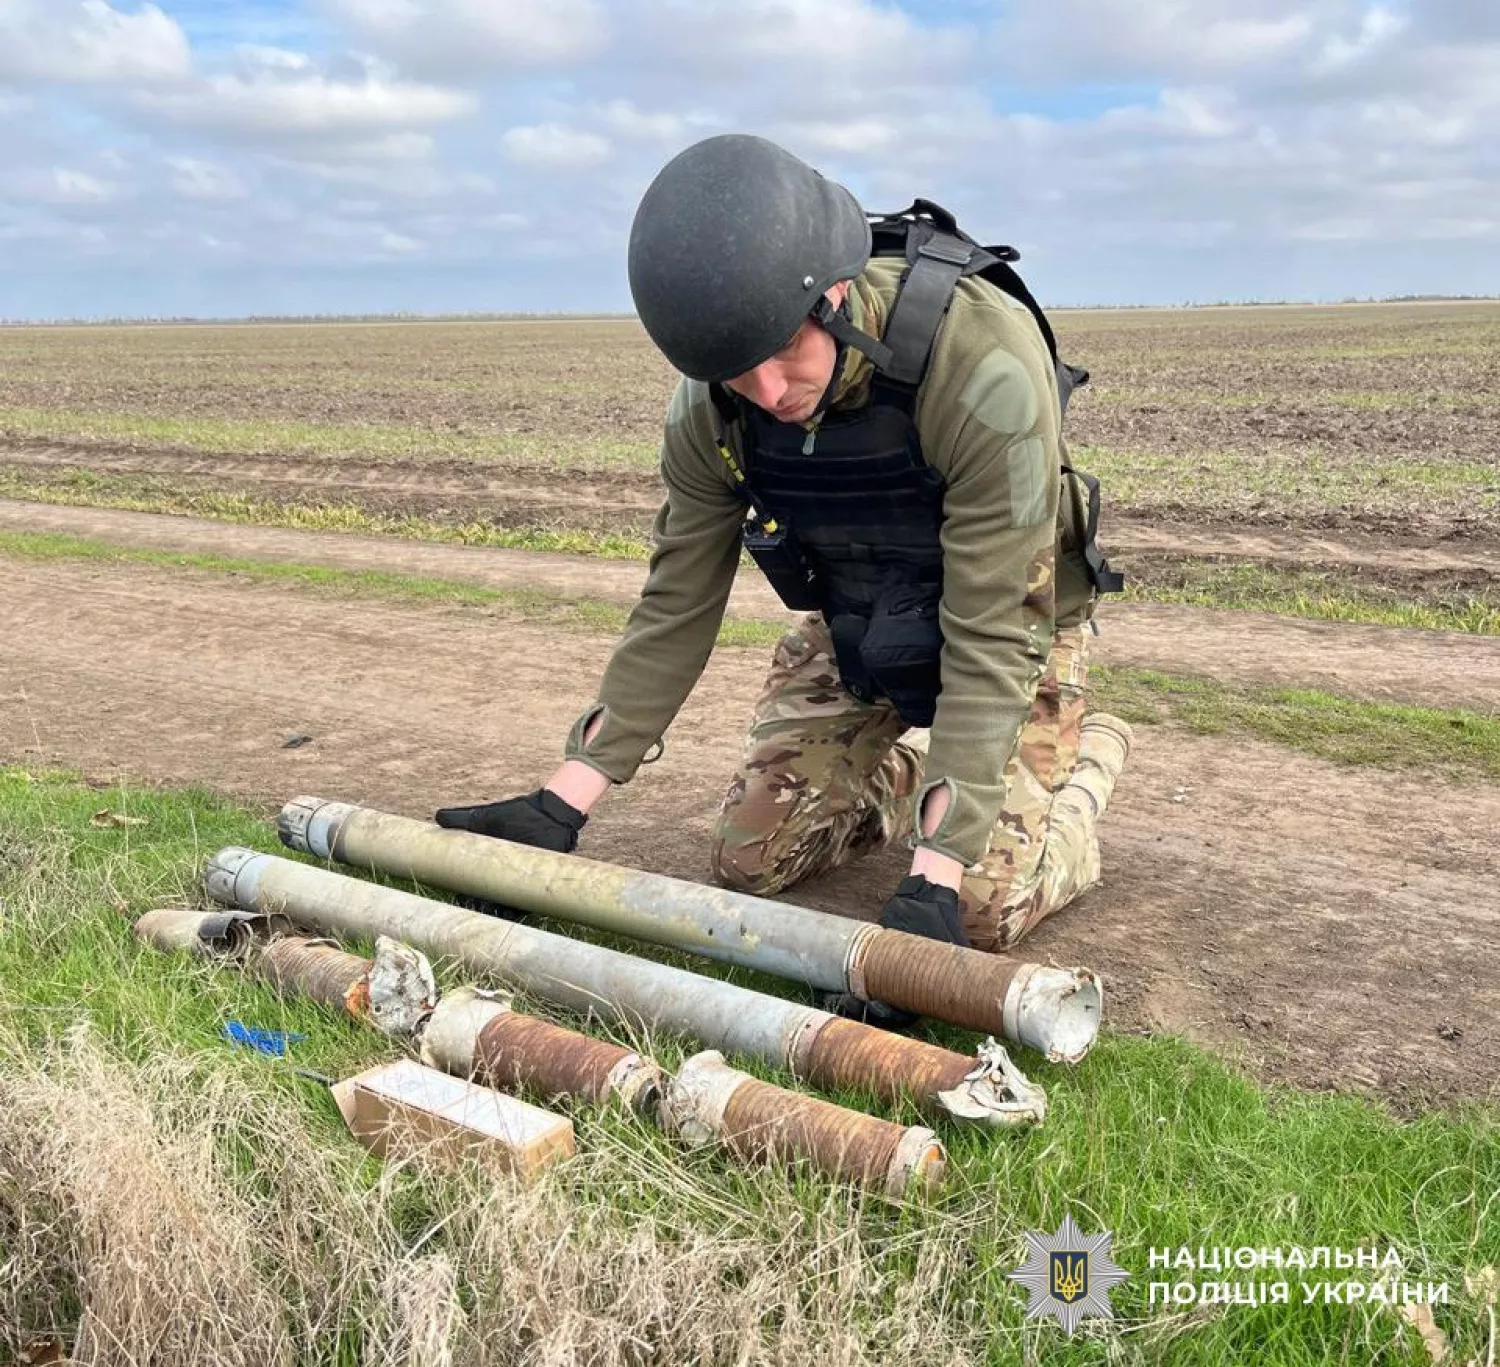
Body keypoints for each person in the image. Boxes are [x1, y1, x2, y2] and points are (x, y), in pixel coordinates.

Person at [436, 134, 1132, 1027]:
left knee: (980, 912)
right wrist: (562, 800)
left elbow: (993, 628)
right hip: (857, 624)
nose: (768, 390)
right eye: (737, 369)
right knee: (751, 861)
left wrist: (932, 880)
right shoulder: (713, 409)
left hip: (1011, 626)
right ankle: (907, 777)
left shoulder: (979, 363)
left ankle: (1085, 760)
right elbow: (676, 601)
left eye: (784, 349)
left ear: (833, 295)